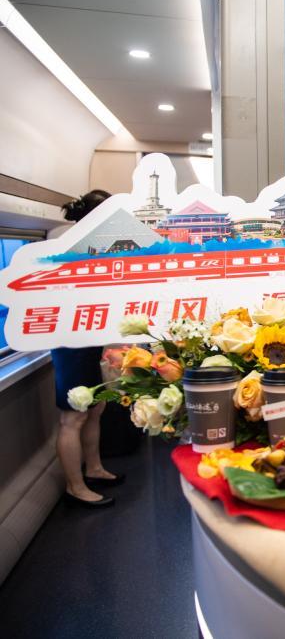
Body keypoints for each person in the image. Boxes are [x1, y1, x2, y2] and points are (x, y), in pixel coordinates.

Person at [53, 189, 123, 508]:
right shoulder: (66, 247)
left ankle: (93, 468)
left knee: (95, 408)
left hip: (88, 337)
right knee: (73, 417)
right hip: (68, 341)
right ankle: (75, 486)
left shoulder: (95, 247)